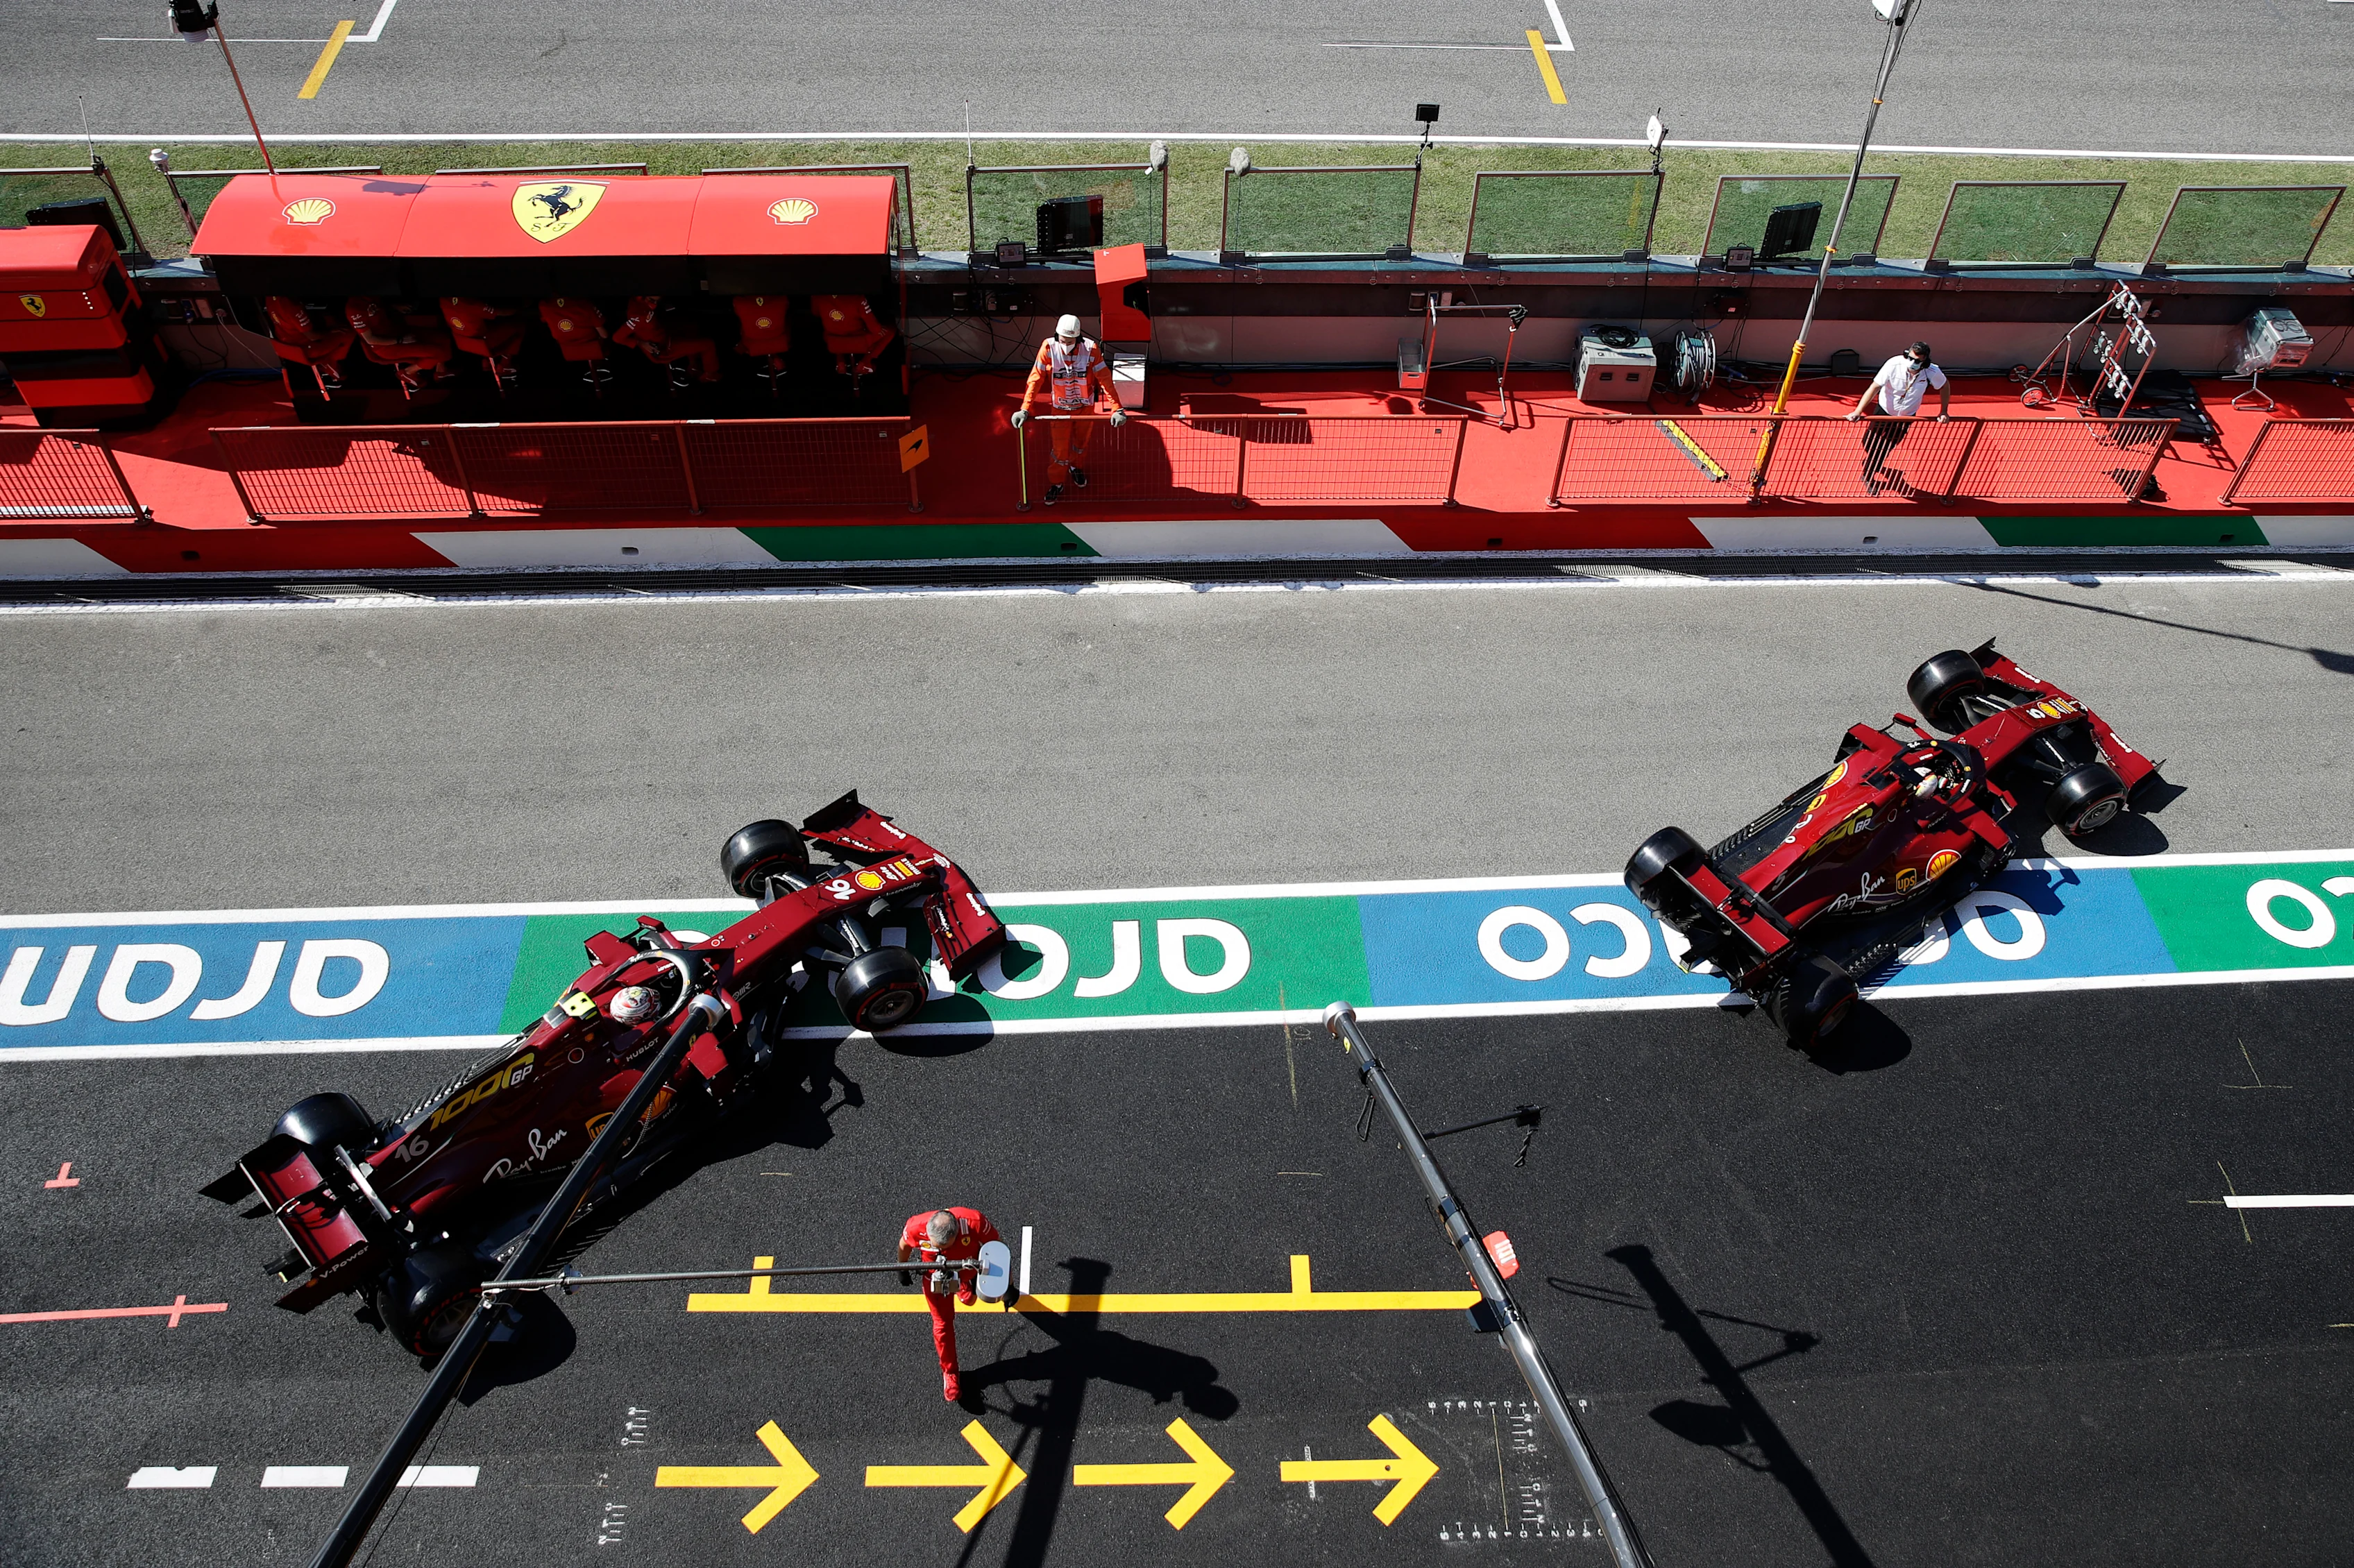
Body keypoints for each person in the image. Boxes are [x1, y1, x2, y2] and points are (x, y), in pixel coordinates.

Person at [1011, 314, 1126, 504]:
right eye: (1063, 341)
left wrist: (1117, 408)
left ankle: (1076, 468)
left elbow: (1105, 378)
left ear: (1078, 338)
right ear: (1057, 336)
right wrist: (1025, 408)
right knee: (1059, 451)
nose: (1066, 345)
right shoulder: (1048, 348)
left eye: (1070, 341)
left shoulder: (1091, 349)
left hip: (1085, 409)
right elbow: (1035, 379)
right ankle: (1057, 483)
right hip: (1060, 410)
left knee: (1080, 445)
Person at [897, 1206, 1001, 1401]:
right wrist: (902, 1268)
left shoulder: (975, 1222)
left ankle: (964, 1285)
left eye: (945, 1247)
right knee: (942, 1325)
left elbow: (998, 1249)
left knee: (968, 1291)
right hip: (934, 1278)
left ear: (957, 1234)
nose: (940, 1251)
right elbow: (904, 1245)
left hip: (967, 1271)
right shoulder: (915, 1226)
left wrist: (1008, 1285)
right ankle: (950, 1373)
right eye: (935, 1246)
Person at [1845, 341, 1950, 494]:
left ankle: (1868, 475)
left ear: (1925, 362)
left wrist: (1944, 411)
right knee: (1869, 443)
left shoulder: (1932, 371)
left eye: (1917, 361)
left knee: (1883, 449)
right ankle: (1873, 461)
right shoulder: (1893, 364)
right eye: (1910, 358)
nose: (1912, 363)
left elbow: (1945, 386)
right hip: (1883, 411)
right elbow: (1874, 387)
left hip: (1906, 417)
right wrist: (1858, 411)